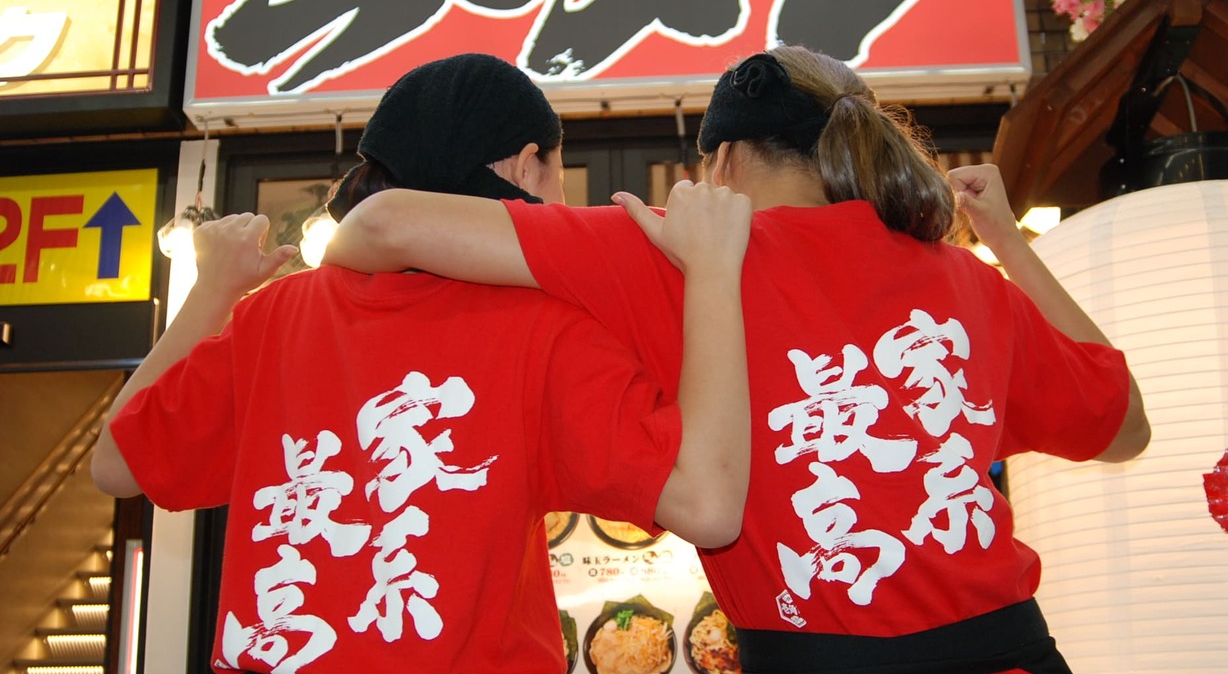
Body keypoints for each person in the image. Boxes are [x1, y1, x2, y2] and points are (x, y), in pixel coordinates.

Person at [322, 45, 1151, 674]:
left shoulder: (667, 250)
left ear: (719, 159)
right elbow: (1125, 429)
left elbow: (380, 227)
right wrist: (1004, 240)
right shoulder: (969, 281)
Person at [91, 53, 753, 674]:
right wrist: (713, 274)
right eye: (555, 172)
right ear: (525, 167)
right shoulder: (544, 331)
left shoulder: (275, 316)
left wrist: (213, 289)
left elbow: (117, 465)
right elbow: (704, 503)